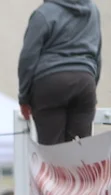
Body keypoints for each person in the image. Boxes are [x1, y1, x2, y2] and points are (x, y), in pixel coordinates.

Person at [18, 0, 102, 145]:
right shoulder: (93, 10)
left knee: (52, 151)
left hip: (50, 83)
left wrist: (24, 98)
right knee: (80, 151)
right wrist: (92, 86)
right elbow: (97, 54)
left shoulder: (43, 14)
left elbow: (28, 57)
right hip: (85, 81)